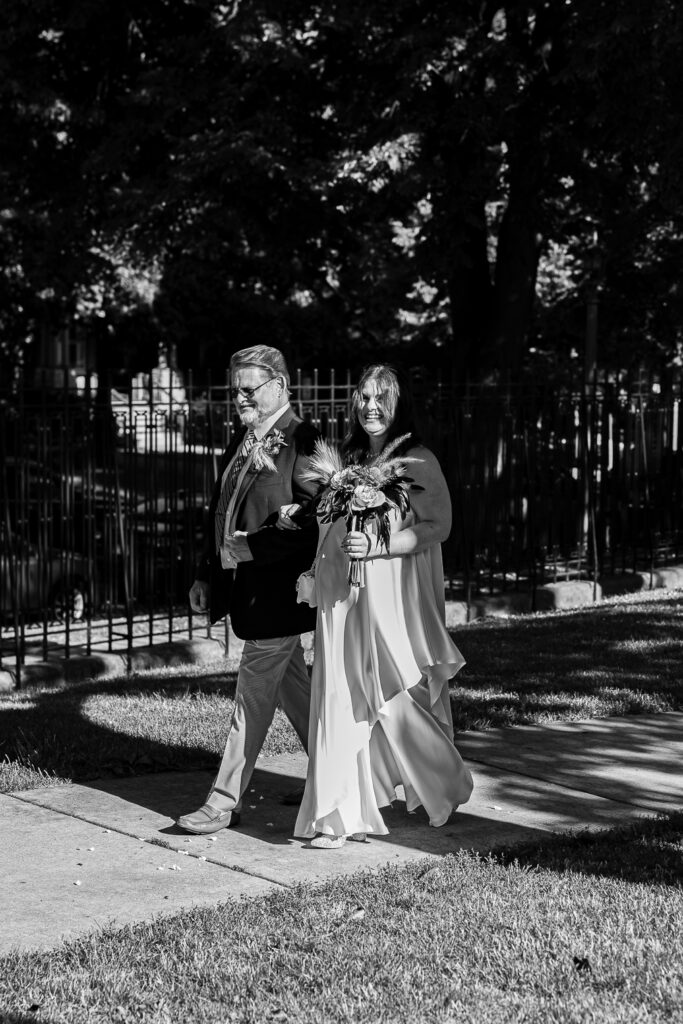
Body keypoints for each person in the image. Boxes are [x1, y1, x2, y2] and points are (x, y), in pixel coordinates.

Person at [291, 364, 473, 849]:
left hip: (389, 601)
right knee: (340, 698)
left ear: (399, 403)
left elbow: (439, 526)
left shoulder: (418, 461)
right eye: (364, 396)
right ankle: (340, 814)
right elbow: (331, 527)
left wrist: (378, 547)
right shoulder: (347, 461)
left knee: (393, 696)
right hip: (341, 601)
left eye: (382, 397)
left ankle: (441, 782)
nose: (370, 406)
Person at [176, 345, 319, 835]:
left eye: (248, 389)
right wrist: (205, 572)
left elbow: (313, 523)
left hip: (278, 596)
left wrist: (254, 550)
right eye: (235, 389)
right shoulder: (241, 442)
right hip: (246, 594)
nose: (239, 398)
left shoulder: (304, 439)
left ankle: (223, 799)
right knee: (296, 691)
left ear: (279, 385)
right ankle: (336, 772)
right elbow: (222, 511)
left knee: (252, 695)